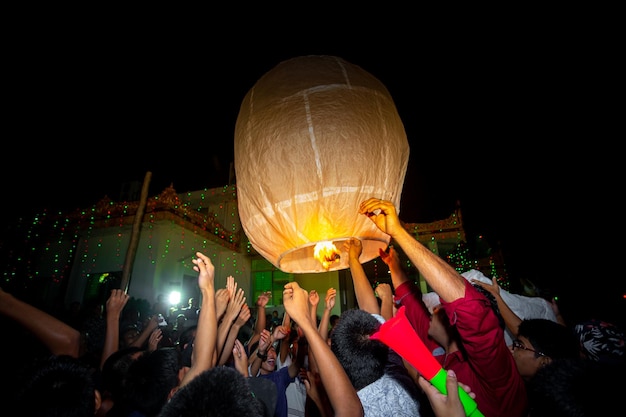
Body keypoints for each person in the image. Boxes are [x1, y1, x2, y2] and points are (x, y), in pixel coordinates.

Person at [359, 198, 527, 417]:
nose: (432, 310)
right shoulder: (437, 353)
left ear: (454, 323)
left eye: (438, 309)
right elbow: (411, 302)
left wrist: (399, 232)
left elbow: (471, 309)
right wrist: (393, 265)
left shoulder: (497, 371)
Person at [282, 281, 364, 417]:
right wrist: (322, 309)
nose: (328, 343)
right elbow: (315, 351)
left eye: (330, 343)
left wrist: (318, 400)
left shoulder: (344, 379)